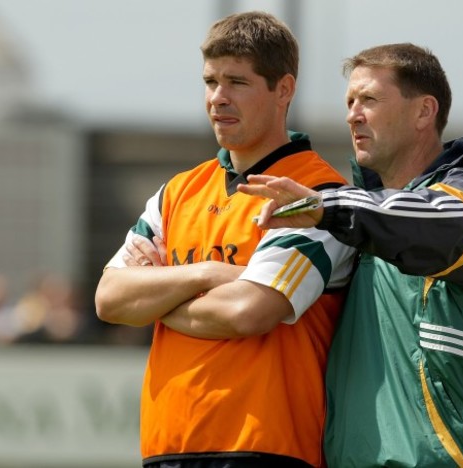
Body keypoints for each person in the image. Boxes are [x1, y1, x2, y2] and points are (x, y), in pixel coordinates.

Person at [239, 43, 463, 467]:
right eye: (350, 102)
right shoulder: (353, 218)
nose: (352, 114)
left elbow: (423, 220)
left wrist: (328, 207)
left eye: (369, 99)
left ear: (424, 112)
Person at [94, 11, 356, 468]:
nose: (218, 98)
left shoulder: (316, 195)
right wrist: (209, 273)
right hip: (166, 446)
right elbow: (110, 300)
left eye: (237, 82)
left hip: (265, 447)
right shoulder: (177, 192)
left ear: (284, 90)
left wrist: (157, 296)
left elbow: (247, 311)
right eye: (210, 81)